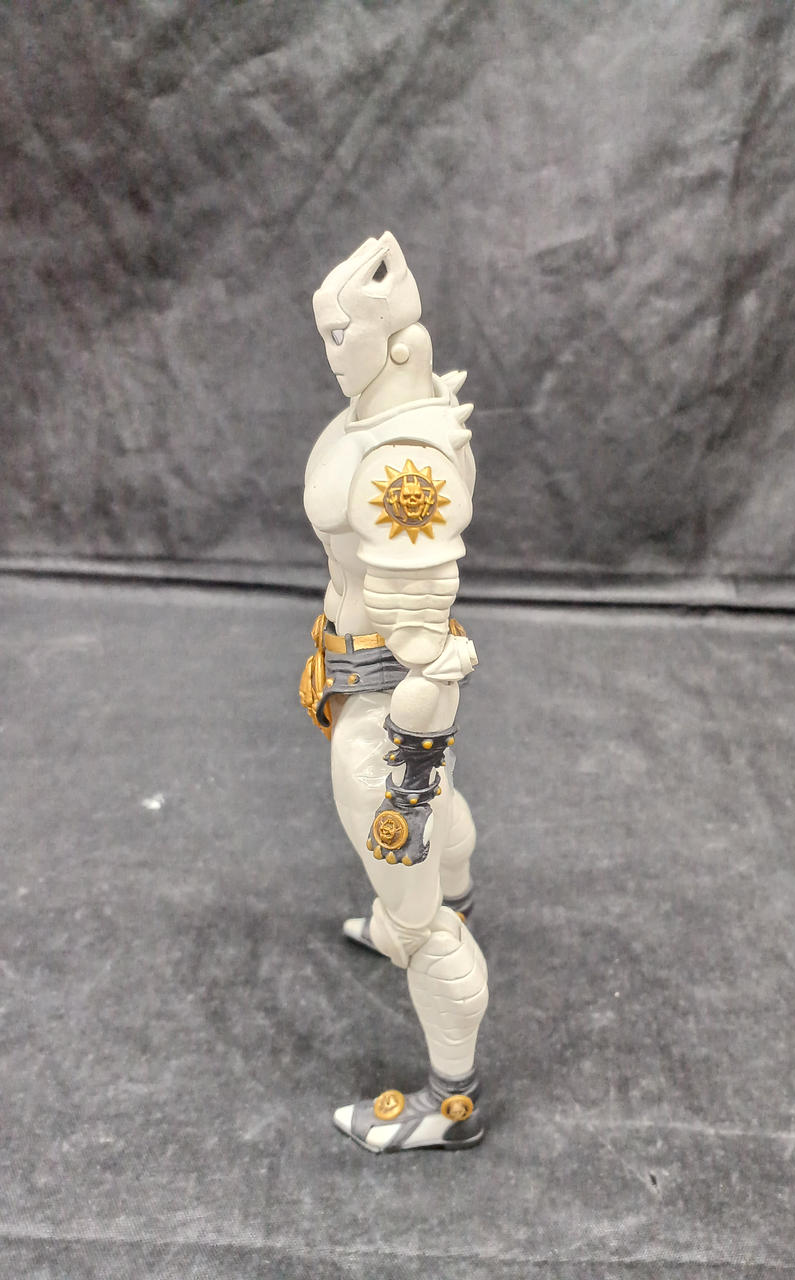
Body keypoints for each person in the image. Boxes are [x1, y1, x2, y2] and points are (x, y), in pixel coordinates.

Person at [298, 231, 489, 1152]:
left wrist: (410, 768)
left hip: (387, 703)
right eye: (328, 336)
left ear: (392, 338)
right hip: (358, 681)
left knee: (421, 928)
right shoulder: (376, 420)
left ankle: (452, 1103)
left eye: (343, 335)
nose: (333, 353)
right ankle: (444, 896)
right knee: (438, 825)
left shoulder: (402, 461)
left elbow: (430, 651)